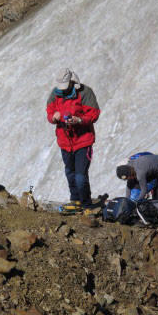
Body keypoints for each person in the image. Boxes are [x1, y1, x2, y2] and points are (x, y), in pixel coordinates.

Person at [46, 68, 101, 214]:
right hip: (65, 141)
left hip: (83, 140)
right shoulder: (55, 93)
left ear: (72, 81)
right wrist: (54, 117)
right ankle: (75, 201)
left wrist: (79, 120)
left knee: (80, 176)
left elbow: (94, 114)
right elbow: (49, 111)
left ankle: (87, 205)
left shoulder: (85, 92)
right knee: (70, 172)